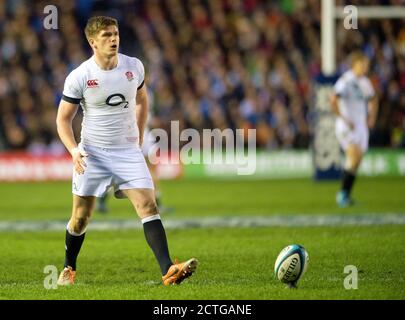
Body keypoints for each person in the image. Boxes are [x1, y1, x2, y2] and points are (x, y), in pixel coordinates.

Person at [55, 16, 197, 286]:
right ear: (92, 41)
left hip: (127, 152)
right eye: (107, 35)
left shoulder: (134, 66)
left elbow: (141, 99)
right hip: (92, 154)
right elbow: (63, 119)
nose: (114, 39)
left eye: (116, 33)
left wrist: (140, 135)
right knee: (80, 218)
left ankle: (168, 269)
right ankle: (68, 267)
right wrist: (73, 150)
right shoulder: (80, 76)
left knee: (148, 204)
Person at [330, 51, 378, 207]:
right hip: (347, 126)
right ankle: (342, 196)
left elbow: (372, 100)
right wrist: (343, 118)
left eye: (366, 64)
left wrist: (371, 117)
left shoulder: (365, 82)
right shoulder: (346, 80)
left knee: (357, 162)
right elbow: (333, 99)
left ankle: (346, 194)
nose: (365, 67)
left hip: (360, 126)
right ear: (354, 64)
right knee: (354, 156)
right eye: (362, 64)